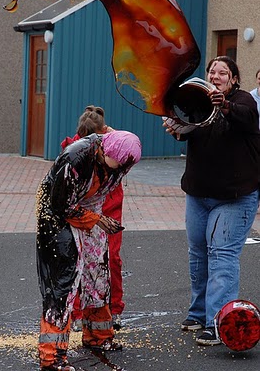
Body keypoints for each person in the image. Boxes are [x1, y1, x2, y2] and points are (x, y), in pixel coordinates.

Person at [163, 56, 260, 346]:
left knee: (222, 255)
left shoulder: (243, 102)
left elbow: (245, 118)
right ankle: (198, 313)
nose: (215, 75)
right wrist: (176, 129)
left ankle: (218, 322)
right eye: (212, 71)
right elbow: (187, 126)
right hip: (198, 193)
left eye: (223, 72)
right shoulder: (198, 99)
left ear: (233, 80)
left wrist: (224, 105)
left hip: (234, 197)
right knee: (198, 253)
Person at [36, 130, 141, 370]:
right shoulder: (75, 158)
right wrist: (97, 219)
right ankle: (52, 357)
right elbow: (60, 205)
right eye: (119, 164)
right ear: (105, 152)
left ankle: (98, 336)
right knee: (63, 284)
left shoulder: (121, 160)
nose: (121, 170)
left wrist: (97, 219)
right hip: (57, 217)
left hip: (90, 214)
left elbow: (101, 188)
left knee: (98, 276)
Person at [61, 105, 125, 332]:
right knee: (78, 261)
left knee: (110, 259)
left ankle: (113, 309)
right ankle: (79, 312)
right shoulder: (74, 151)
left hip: (109, 207)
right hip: (82, 211)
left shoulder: (113, 144)